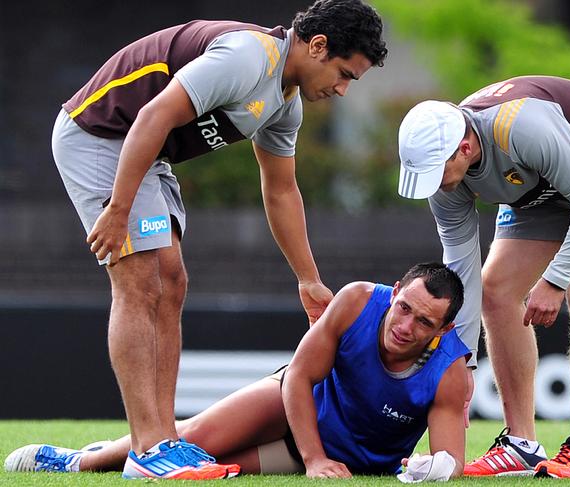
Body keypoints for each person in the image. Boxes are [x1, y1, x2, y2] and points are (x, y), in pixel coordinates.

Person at [48, 0, 387, 480]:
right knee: (141, 282)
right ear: (317, 46)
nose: (344, 89)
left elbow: (282, 190)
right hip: (99, 137)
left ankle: (162, 440)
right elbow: (151, 116)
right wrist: (118, 209)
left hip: (146, 152)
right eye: (345, 73)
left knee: (173, 280)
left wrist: (308, 279)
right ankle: (148, 451)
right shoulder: (248, 58)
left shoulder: (285, 103)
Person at [397, 75, 570, 479]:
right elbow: (462, 272)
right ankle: (521, 444)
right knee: (495, 290)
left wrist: (555, 280)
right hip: (541, 184)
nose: (435, 184)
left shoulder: (520, 127)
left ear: (464, 148)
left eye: (437, 171)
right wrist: (461, 363)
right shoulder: (445, 178)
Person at [5, 262, 469, 481]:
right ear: (394, 292)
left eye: (424, 321)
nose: (405, 326)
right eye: (403, 307)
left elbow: (449, 462)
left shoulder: (451, 370)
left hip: (350, 459)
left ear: (444, 328)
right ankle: (76, 460)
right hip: (298, 407)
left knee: (208, 470)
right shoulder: (356, 301)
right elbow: (302, 376)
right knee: (188, 442)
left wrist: (433, 469)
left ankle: (111, 454)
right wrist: (313, 460)